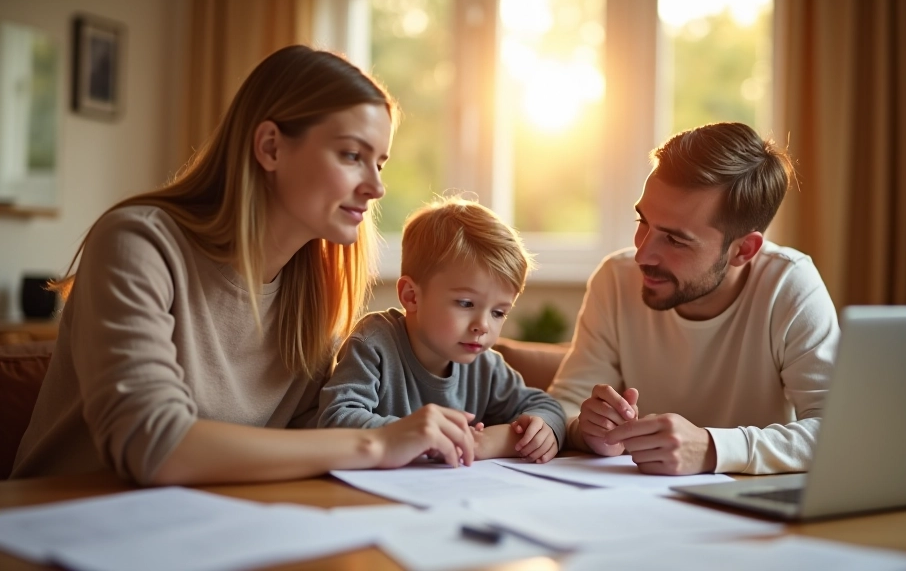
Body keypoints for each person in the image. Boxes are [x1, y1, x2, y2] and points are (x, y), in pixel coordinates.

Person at [11, 46, 478, 485]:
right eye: (353, 155)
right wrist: (376, 443)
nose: (377, 188)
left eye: (380, 163)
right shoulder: (139, 243)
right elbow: (151, 443)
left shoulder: (314, 292)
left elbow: (312, 444)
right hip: (61, 528)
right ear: (271, 147)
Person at [547, 122, 840, 475]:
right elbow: (564, 406)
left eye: (675, 240)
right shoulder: (615, 278)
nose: (643, 255)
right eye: (643, 222)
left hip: (748, 517)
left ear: (743, 250)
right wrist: (588, 430)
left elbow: (838, 430)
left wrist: (714, 449)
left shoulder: (789, 285)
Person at [317, 198, 566, 463]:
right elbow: (335, 419)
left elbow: (547, 407)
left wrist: (545, 428)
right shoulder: (374, 343)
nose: (483, 326)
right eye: (466, 303)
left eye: (498, 312)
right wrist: (418, 436)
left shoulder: (486, 365)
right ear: (411, 296)